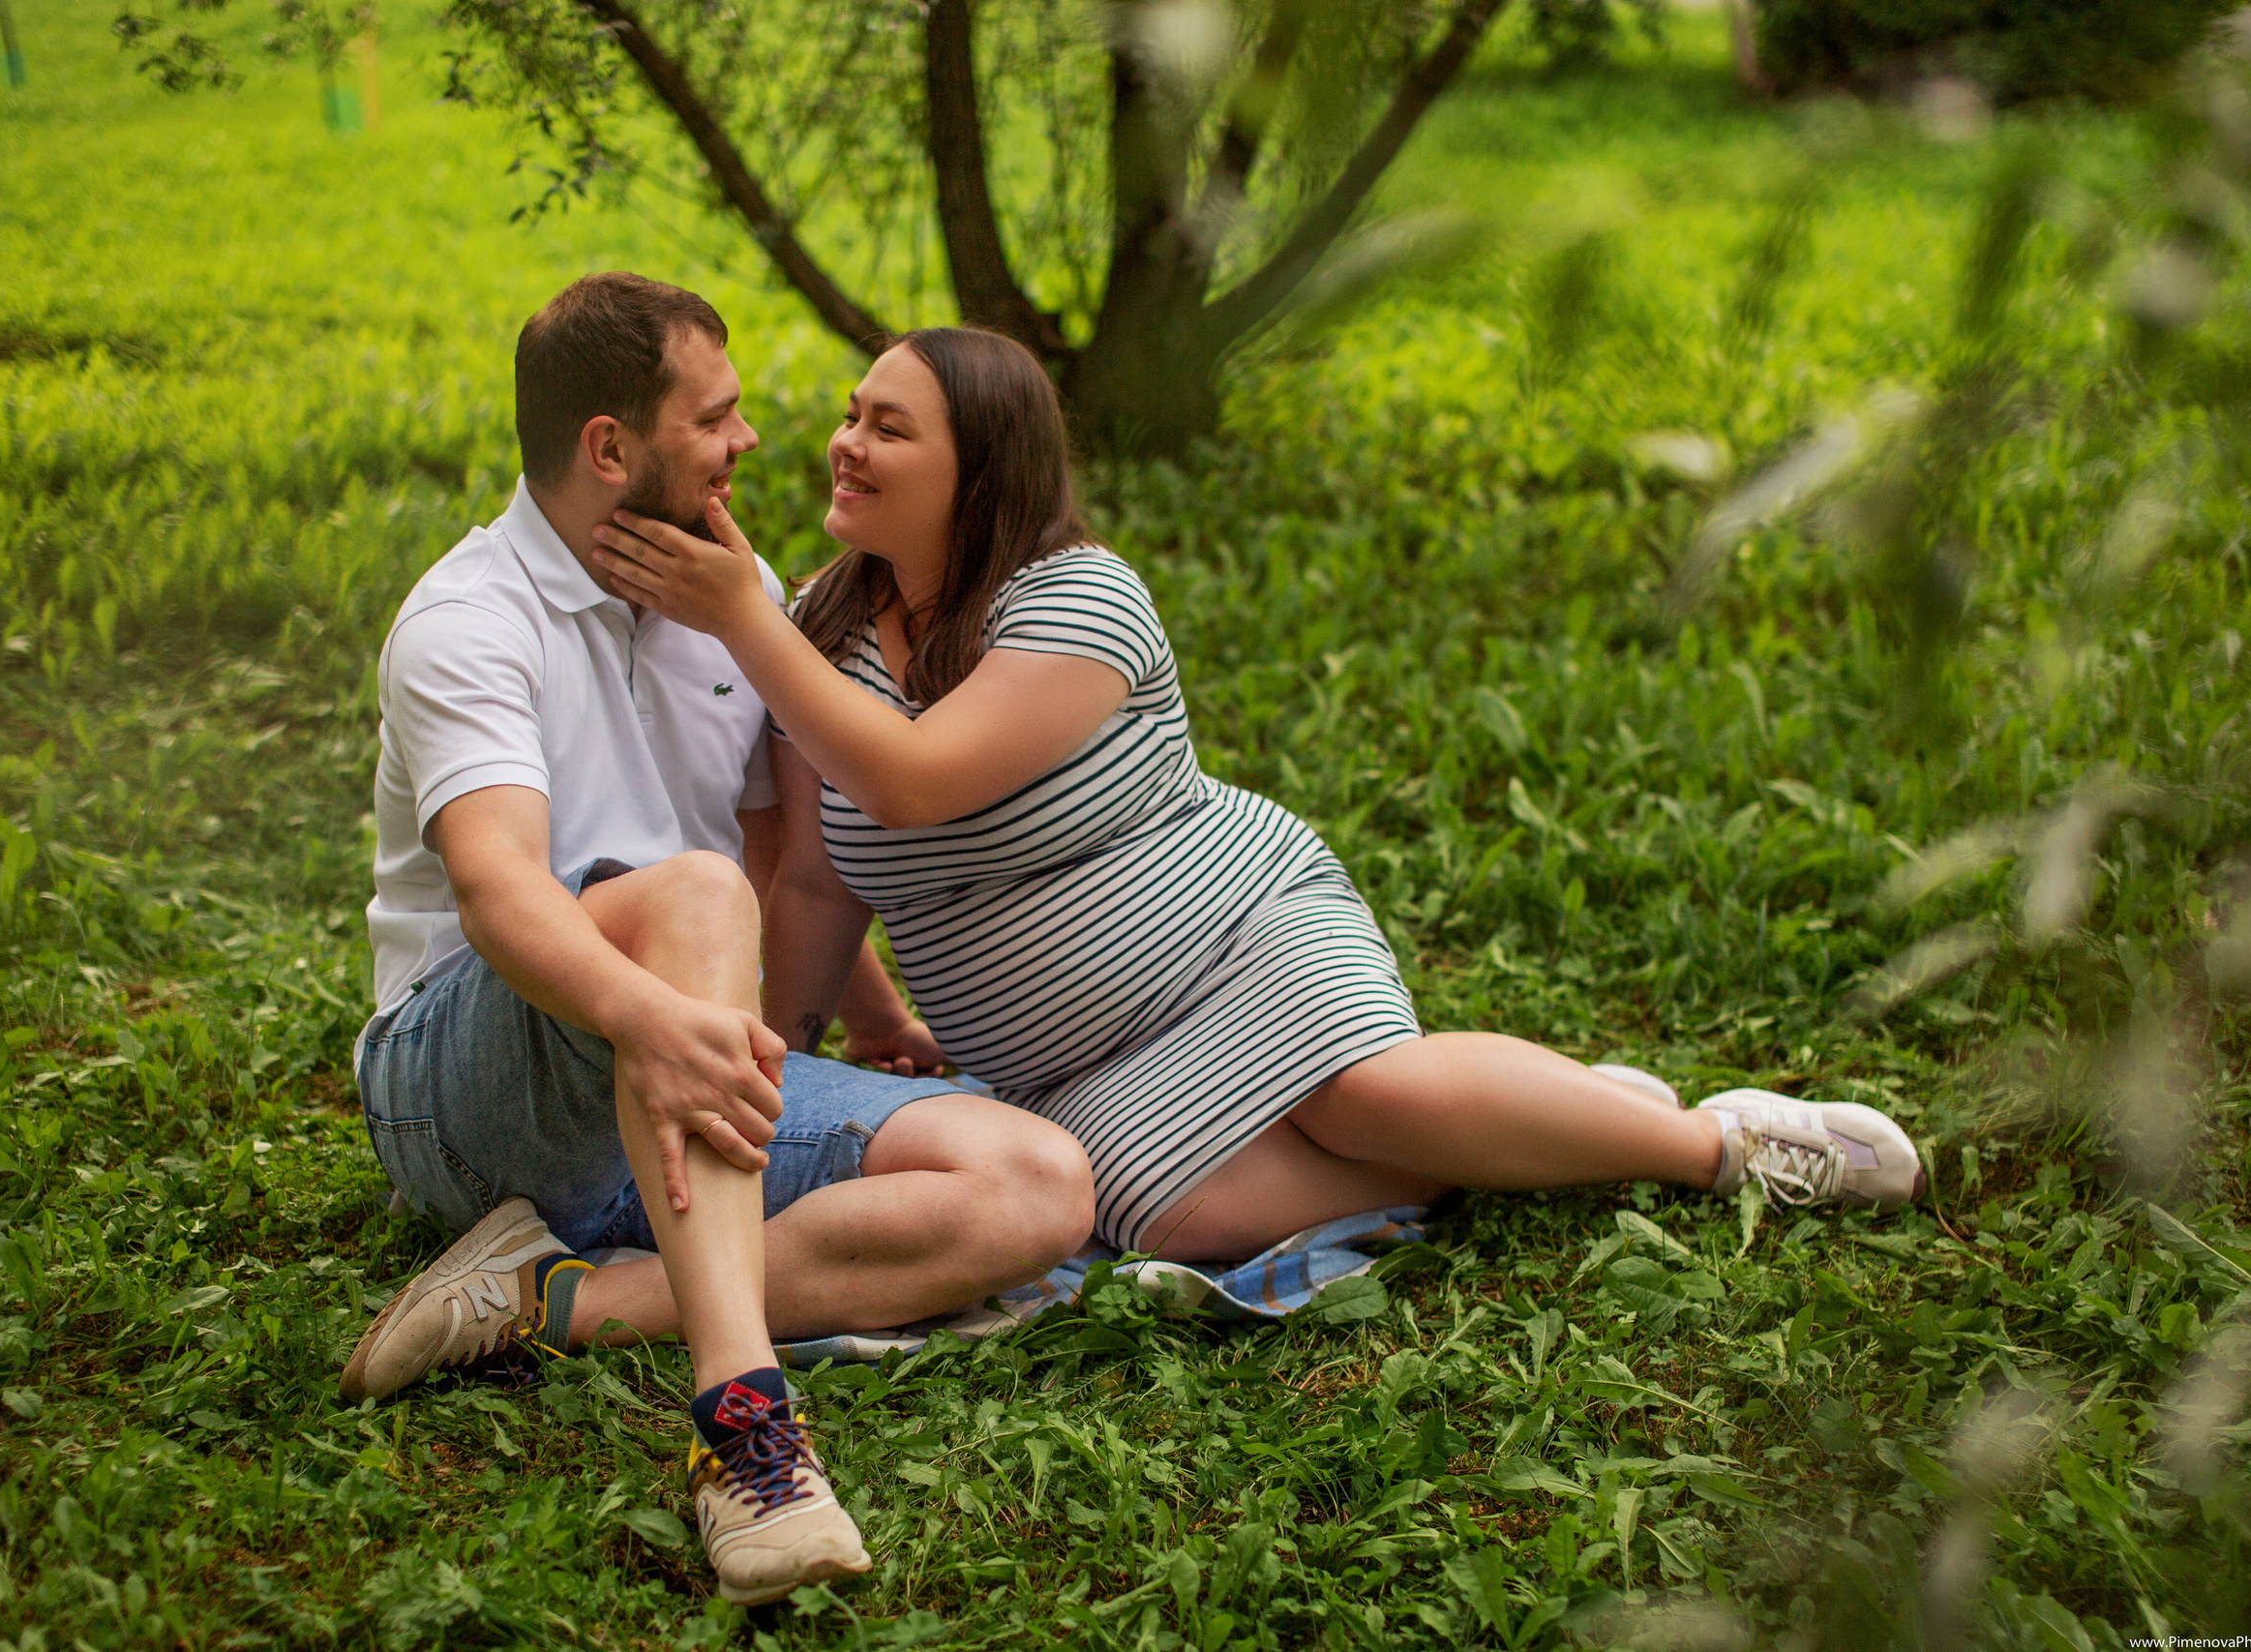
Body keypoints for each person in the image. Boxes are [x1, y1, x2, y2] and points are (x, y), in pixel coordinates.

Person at [583, 325, 1926, 1266]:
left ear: (980, 466)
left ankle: (1711, 1144)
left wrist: (735, 620)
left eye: (890, 427)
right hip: (1069, 1063)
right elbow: (819, 879)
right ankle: (1559, 1124)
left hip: (1235, 937)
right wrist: (783, 1056)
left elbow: (916, 782)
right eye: (849, 417)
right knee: (1173, 1222)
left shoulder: (1077, 601)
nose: (843, 446)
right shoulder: (825, 634)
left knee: (1365, 1105)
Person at [343, 281, 1095, 1607]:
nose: (753, 442)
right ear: (610, 451)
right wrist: (649, 1020)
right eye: (718, 415)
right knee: (684, 896)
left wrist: (864, 1011)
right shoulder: (467, 622)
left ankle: (556, 1298)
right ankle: (745, 1431)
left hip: (672, 1073)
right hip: (472, 1087)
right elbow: (498, 893)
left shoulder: (731, 588)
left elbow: (769, 853)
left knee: (1037, 1184)